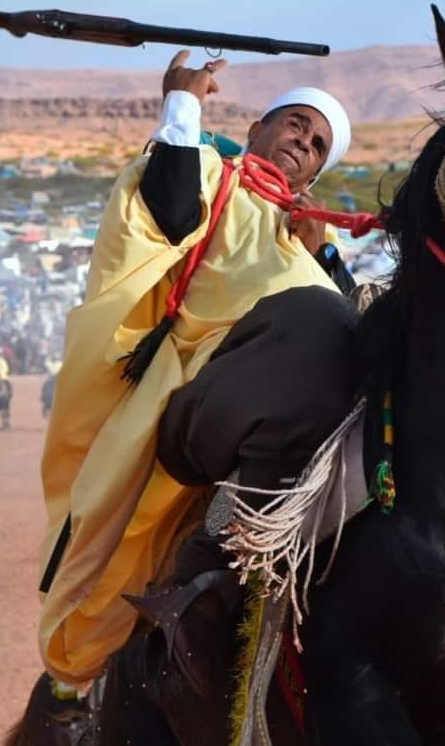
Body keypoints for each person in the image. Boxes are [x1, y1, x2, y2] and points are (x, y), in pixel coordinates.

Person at [37, 50, 359, 691]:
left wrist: (324, 255)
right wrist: (183, 106)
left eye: (318, 143)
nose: (304, 139)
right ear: (257, 130)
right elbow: (164, 215)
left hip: (282, 403)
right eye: (295, 123)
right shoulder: (216, 173)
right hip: (196, 389)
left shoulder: (313, 233)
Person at [0, 352, 12, 430]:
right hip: (5, 381)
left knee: (3, 405)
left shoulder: (3, 361)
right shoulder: (4, 361)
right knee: (6, 405)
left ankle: (6, 423)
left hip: (2, 382)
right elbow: (6, 371)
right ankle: (6, 423)